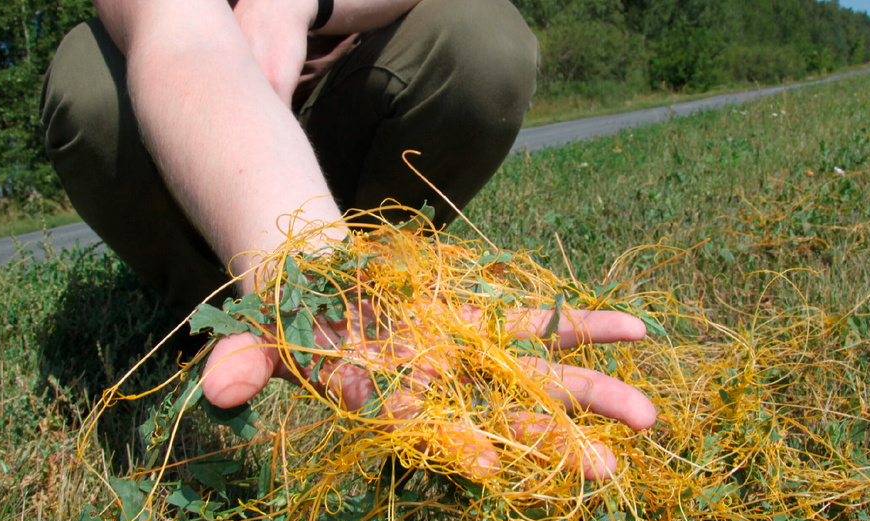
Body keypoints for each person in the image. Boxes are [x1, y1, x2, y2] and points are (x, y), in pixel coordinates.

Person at [40, 0, 656, 480]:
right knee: (88, 84)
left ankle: (389, 280)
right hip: (192, 108)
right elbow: (182, 37)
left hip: (349, 76)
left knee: (483, 32)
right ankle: (214, 308)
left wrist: (291, 4)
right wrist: (300, 267)